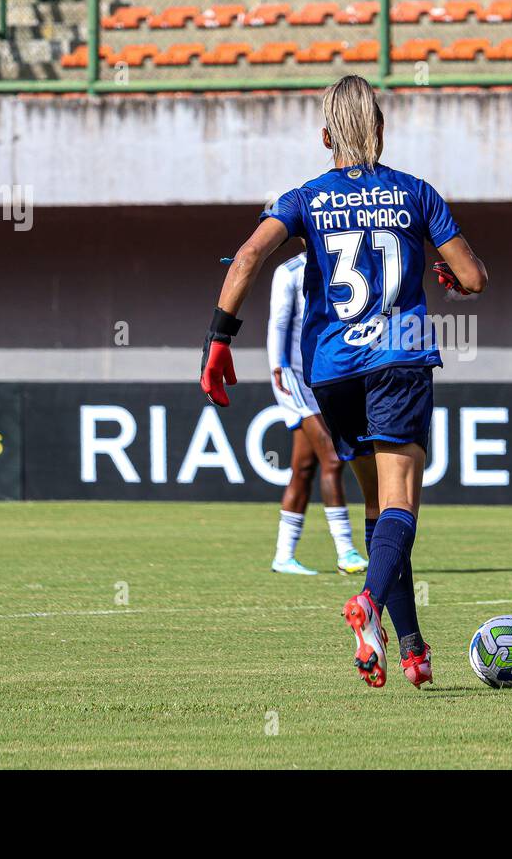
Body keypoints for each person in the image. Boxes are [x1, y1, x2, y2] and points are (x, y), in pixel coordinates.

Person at [199, 75, 488, 689]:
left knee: (378, 507)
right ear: (380, 131)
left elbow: (247, 257)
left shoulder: (304, 198)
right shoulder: (416, 194)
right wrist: (450, 273)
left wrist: (219, 341)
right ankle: (369, 606)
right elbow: (473, 277)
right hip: (398, 358)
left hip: (330, 369)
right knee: (402, 504)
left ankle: (409, 647)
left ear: (325, 136)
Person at [266, 250, 368, 576]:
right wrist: (277, 366)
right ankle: (346, 551)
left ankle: (283, 555)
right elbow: (279, 322)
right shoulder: (290, 270)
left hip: (323, 376)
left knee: (304, 467)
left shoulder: (338, 264)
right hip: (293, 377)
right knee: (334, 458)